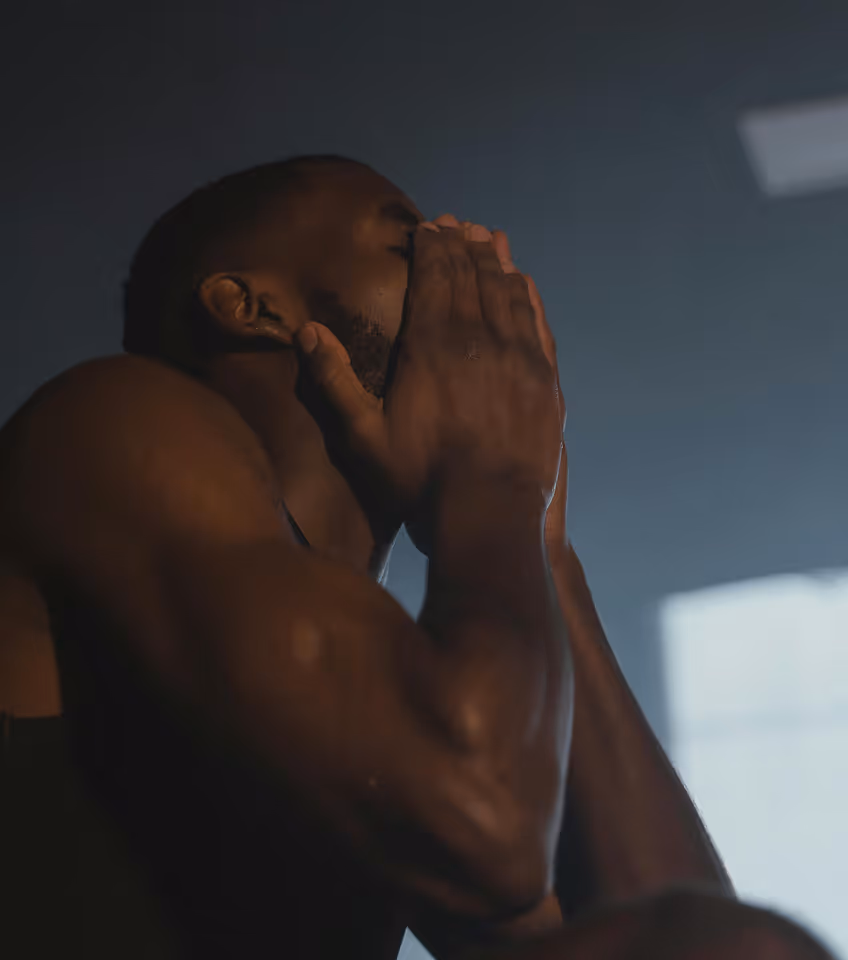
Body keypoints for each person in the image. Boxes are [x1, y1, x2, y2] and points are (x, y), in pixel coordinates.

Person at [0, 154, 835, 960]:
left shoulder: (399, 668)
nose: (461, 270)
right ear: (249, 306)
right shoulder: (117, 419)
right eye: (409, 244)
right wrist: (494, 479)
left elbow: (687, 946)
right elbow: (488, 826)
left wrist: (542, 546)